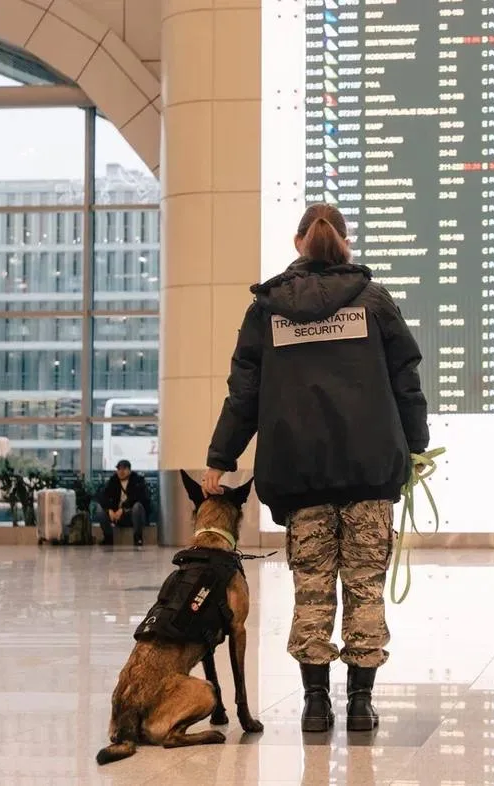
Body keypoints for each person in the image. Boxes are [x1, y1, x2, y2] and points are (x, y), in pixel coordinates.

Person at [202, 202, 429, 733]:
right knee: (365, 587)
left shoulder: (268, 310)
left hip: (300, 477)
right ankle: (361, 705)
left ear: (297, 242)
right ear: (345, 242)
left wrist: (220, 457)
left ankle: (314, 705)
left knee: (311, 588)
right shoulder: (374, 302)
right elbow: (406, 381)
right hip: (370, 472)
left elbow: (244, 393)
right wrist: (415, 447)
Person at [93, 460, 151, 547]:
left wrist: (123, 509)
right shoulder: (113, 480)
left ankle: (138, 537)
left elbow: (139, 498)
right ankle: (108, 537)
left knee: (137, 506)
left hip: (131, 514)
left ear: (129, 470)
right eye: (119, 469)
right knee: (99, 509)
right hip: (116, 515)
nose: (121, 471)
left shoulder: (138, 480)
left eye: (124, 469)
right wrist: (109, 510)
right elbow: (102, 496)